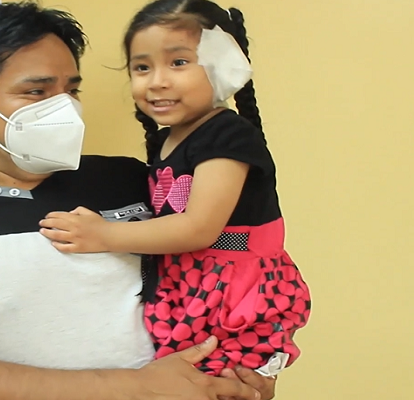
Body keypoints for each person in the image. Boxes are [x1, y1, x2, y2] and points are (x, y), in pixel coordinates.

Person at [0, 2, 275, 400]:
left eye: (71, 90)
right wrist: (139, 389)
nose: (63, 108)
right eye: (36, 92)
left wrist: (251, 370)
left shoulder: (134, 180)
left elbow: (232, 264)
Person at [39, 0, 312, 379]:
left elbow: (198, 228)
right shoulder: (168, 139)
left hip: (233, 293)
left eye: (178, 62)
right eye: (142, 67)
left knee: (214, 383)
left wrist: (103, 235)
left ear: (224, 66)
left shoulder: (227, 134)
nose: (157, 81)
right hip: (189, 283)